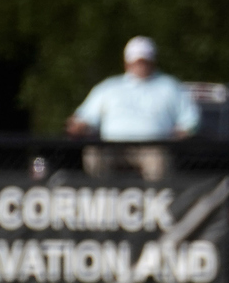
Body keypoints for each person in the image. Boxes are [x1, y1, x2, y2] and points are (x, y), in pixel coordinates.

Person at [67, 36, 200, 180]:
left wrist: (176, 137)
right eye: (137, 61)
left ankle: (155, 199)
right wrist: (78, 125)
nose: (141, 66)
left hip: (152, 148)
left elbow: (191, 120)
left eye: (145, 61)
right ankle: (104, 195)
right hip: (113, 147)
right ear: (127, 63)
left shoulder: (170, 87)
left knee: (159, 159)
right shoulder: (109, 87)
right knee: (93, 153)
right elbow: (83, 118)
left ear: (153, 62)